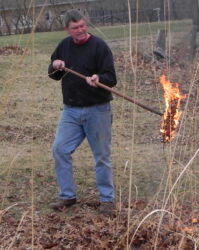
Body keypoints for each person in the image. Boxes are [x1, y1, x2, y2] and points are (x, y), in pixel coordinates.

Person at [48, 9, 117, 215]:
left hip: (97, 110)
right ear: (67, 29)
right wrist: (56, 65)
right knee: (60, 149)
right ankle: (67, 196)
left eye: (82, 26)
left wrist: (98, 79)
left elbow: (111, 78)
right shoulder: (64, 46)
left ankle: (107, 200)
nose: (80, 30)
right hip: (70, 111)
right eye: (75, 28)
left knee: (101, 156)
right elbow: (53, 75)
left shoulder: (99, 46)